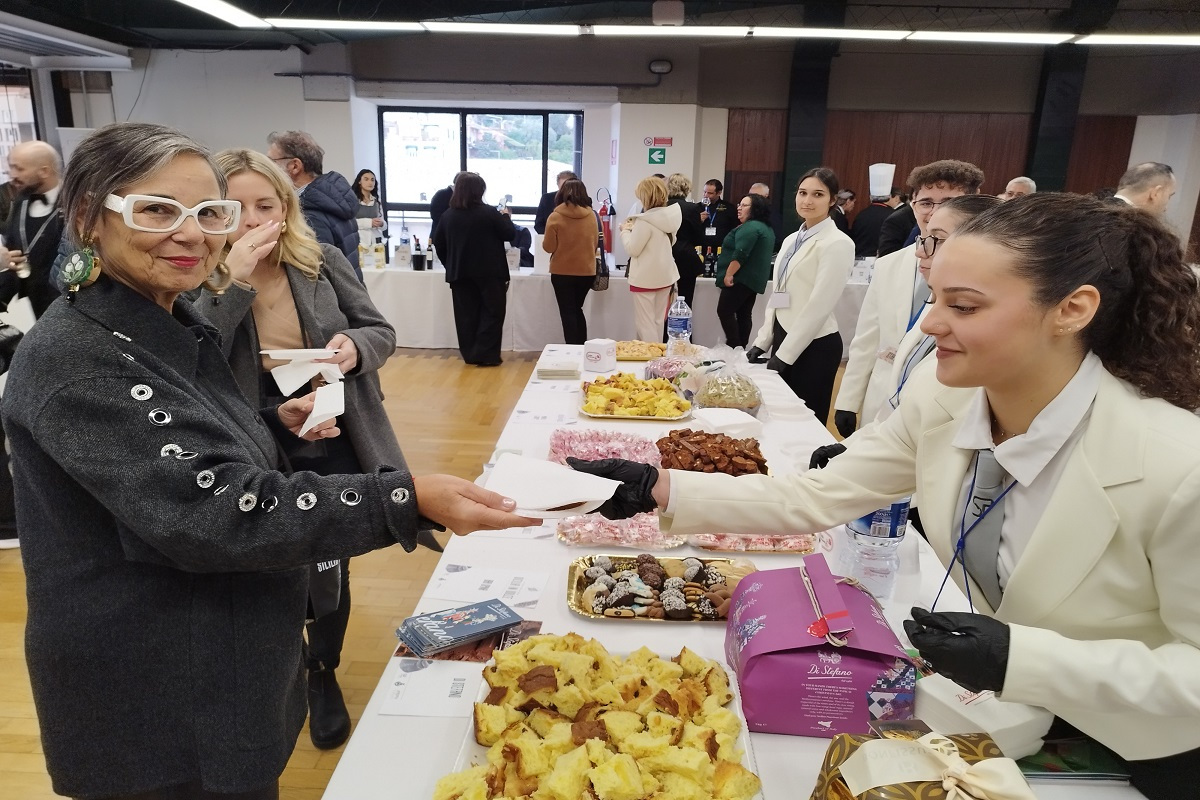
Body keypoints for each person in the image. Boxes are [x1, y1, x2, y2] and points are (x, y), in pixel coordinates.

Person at [573, 193, 1200, 800]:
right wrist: (660, 487)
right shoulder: (946, 397)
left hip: (1147, 752)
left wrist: (1023, 658)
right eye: (934, 299)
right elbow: (816, 496)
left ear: (1072, 309)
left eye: (965, 306)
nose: (930, 325)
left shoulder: (1177, 467)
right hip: (1013, 727)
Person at [1, 122, 537, 800]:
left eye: (208, 213)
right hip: (158, 694)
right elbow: (209, 511)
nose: (193, 235)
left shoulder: (156, 322)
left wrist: (259, 420)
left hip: (219, 662)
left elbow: (173, 450)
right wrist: (405, 497)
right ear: (88, 216)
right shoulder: (79, 359)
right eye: (157, 210)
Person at [194, 148, 435, 751]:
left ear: (287, 205)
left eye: (265, 206)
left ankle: (323, 668)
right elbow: (191, 361)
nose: (251, 222)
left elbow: (378, 329)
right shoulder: (196, 276)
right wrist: (235, 284)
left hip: (331, 431)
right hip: (250, 439)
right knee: (268, 562)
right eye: (234, 208)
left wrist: (354, 349)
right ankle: (281, 669)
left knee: (328, 558)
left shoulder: (318, 261)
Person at [811, 194, 1003, 469]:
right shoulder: (928, 303)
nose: (920, 251)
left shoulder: (997, 335)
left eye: (936, 240)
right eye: (925, 202)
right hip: (895, 443)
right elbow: (901, 398)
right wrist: (853, 443)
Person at [833, 159, 984, 438]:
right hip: (882, 396)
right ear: (912, 205)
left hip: (943, 407)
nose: (935, 212)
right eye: (926, 202)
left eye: (949, 202)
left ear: (972, 203)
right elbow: (867, 338)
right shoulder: (889, 265)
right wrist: (847, 401)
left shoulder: (985, 271)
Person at [745, 168, 854, 422]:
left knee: (805, 423)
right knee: (777, 418)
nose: (807, 200)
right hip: (784, 337)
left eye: (818, 194)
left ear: (832, 200)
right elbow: (779, 292)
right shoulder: (792, 239)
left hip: (815, 345)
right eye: (803, 193)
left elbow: (819, 306)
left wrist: (785, 355)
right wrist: (764, 340)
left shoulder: (837, 243)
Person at [431, 172, 516, 366]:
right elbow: (509, 234)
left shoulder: (448, 215)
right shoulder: (489, 213)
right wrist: (506, 218)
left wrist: (450, 264)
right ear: (479, 191)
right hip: (490, 272)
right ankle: (486, 354)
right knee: (493, 313)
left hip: (459, 273)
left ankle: (470, 354)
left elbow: (439, 243)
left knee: (465, 315)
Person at [267, 130, 361, 280]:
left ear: (295, 166)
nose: (267, 169)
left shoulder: (309, 213)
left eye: (271, 162)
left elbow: (316, 277)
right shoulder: (334, 200)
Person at [3, 140, 65, 318]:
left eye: (19, 169)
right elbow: (13, 256)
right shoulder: (19, 202)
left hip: (71, 310)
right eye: (11, 167)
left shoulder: (77, 206)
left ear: (44, 171)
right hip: (37, 311)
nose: (12, 174)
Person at [620, 177, 681, 343]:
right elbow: (671, 242)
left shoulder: (644, 221)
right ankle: (656, 358)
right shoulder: (671, 217)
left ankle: (652, 361)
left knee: (645, 324)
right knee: (658, 321)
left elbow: (633, 249)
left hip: (644, 278)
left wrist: (625, 231)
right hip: (665, 276)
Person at [715, 194, 775, 348]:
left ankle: (734, 345)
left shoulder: (750, 227)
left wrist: (729, 274)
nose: (739, 208)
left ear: (755, 209)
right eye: (739, 204)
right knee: (743, 314)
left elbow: (741, 253)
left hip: (740, 278)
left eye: (744, 205)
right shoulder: (765, 228)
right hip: (752, 281)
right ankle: (740, 348)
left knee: (725, 311)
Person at [542, 178, 598, 344]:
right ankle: (581, 346)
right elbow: (595, 244)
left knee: (567, 312)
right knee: (577, 309)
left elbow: (549, 247)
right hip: (587, 272)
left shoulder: (555, 216)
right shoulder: (592, 216)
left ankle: (572, 349)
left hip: (562, 273)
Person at [666, 173, 704, 309]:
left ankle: (663, 330)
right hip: (685, 257)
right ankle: (684, 329)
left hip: (663, 257)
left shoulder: (659, 207)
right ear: (686, 189)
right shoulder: (692, 208)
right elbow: (698, 238)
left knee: (663, 302)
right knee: (685, 301)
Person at [850, 186, 901, 258]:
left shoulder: (862, 214)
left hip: (858, 258)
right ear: (893, 197)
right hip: (880, 259)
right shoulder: (893, 215)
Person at [697, 178, 737, 253]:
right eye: (704, 192)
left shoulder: (729, 208)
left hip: (721, 247)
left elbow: (734, 228)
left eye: (710, 193)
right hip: (701, 247)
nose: (706, 195)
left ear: (718, 193)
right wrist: (698, 220)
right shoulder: (697, 207)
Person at [351, 168, 386, 248]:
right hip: (359, 241)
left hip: (376, 242)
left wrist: (381, 224)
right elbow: (350, 223)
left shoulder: (376, 201)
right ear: (359, 181)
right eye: (366, 179)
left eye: (372, 180)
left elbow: (384, 224)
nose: (370, 182)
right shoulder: (353, 200)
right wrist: (369, 223)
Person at [534, 170, 578, 235]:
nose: (565, 189)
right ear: (558, 185)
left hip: (574, 239)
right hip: (550, 239)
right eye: (563, 186)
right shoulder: (547, 199)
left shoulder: (580, 200)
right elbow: (539, 224)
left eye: (568, 186)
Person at [749, 181, 785, 253]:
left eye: (756, 196)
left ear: (766, 196)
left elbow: (777, 238)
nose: (752, 198)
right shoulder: (749, 210)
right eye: (750, 195)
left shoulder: (771, 213)